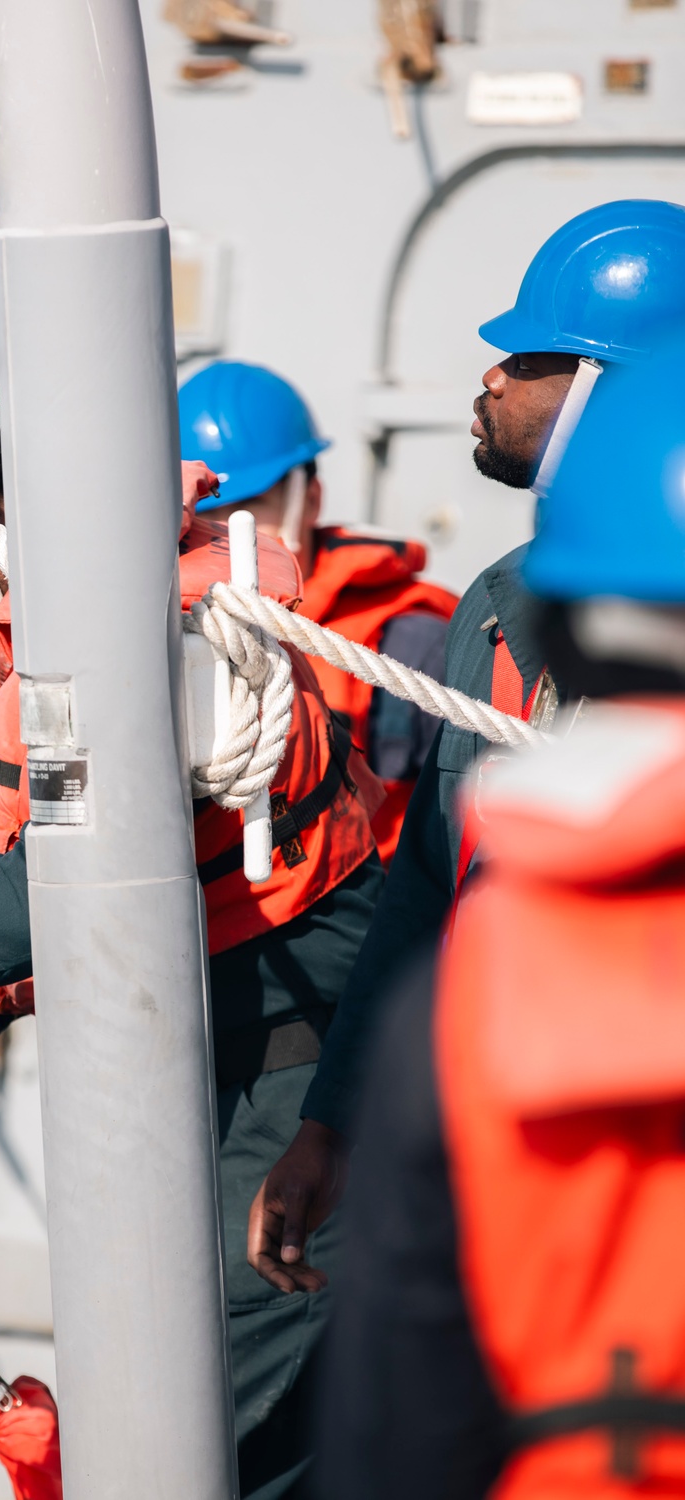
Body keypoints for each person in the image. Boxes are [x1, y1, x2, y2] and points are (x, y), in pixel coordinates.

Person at [0, 354, 387, 1499]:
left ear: (0, 511)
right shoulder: (80, 620)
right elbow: (76, 891)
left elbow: (60, 878)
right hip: (228, 1053)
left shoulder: (113, 646)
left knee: (217, 1400)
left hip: (302, 1060)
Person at [246, 197, 685, 1298]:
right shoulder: (491, 610)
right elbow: (423, 895)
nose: (488, 378)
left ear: (614, 395)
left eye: (531, 358)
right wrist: (328, 1130)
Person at [319, 339, 685, 1500]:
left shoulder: (481, 1000)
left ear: (568, 624)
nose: (483, 378)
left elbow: (401, 1418)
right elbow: (426, 874)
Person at [179, 359, 458, 865]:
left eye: (247, 510)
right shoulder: (159, 636)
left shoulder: (411, 643)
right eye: (206, 514)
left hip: (357, 921)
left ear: (310, 501)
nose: (222, 535)